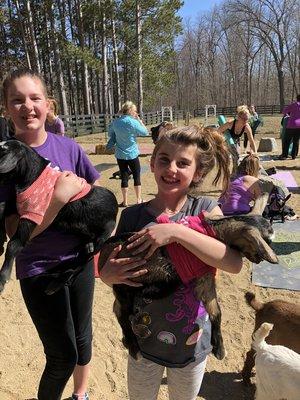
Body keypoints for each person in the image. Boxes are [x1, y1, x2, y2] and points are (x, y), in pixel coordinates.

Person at [100, 125, 243, 400]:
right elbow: (112, 270)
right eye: (164, 159)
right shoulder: (132, 217)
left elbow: (233, 263)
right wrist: (107, 275)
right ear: (152, 163)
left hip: (192, 341)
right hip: (143, 337)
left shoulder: (205, 210)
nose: (172, 168)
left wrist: (176, 232)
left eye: (183, 163)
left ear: (198, 173)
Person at [0, 68, 104, 400]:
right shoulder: (6, 160)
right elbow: (15, 231)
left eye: (34, 98)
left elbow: (96, 189)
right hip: (40, 269)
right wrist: (58, 200)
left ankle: (81, 394)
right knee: (61, 357)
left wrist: (88, 197)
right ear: (5, 110)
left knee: (83, 338)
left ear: (49, 105)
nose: (26, 106)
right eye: (16, 100)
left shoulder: (69, 148)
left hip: (80, 260)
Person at [106, 101, 149, 207]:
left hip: (120, 154)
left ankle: (125, 201)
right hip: (132, 154)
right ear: (130, 110)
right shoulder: (133, 122)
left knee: (124, 177)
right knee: (136, 175)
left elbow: (110, 133)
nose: (135, 113)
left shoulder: (115, 122)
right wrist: (139, 121)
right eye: (134, 111)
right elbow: (145, 132)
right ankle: (138, 199)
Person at [218, 105, 257, 174]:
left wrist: (255, 153)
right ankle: (225, 174)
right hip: (226, 140)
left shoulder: (246, 127)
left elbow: (251, 140)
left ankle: (234, 174)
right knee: (228, 158)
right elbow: (218, 131)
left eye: (247, 119)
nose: (245, 121)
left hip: (235, 141)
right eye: (244, 119)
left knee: (236, 157)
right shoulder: (230, 124)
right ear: (238, 117)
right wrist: (220, 141)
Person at [280, 94, 300, 160]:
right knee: (296, 141)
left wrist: (287, 115)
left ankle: (284, 155)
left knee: (287, 141)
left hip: (291, 125)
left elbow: (284, 111)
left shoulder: (293, 105)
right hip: (299, 125)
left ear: (297, 98)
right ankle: (294, 156)